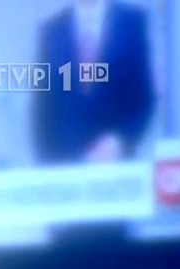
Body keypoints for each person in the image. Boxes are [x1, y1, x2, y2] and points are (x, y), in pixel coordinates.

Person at [32, 0, 156, 165]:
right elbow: (43, 107)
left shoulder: (131, 23)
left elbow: (143, 99)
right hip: (65, 165)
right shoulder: (51, 31)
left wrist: (119, 142)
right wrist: (52, 163)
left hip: (118, 165)